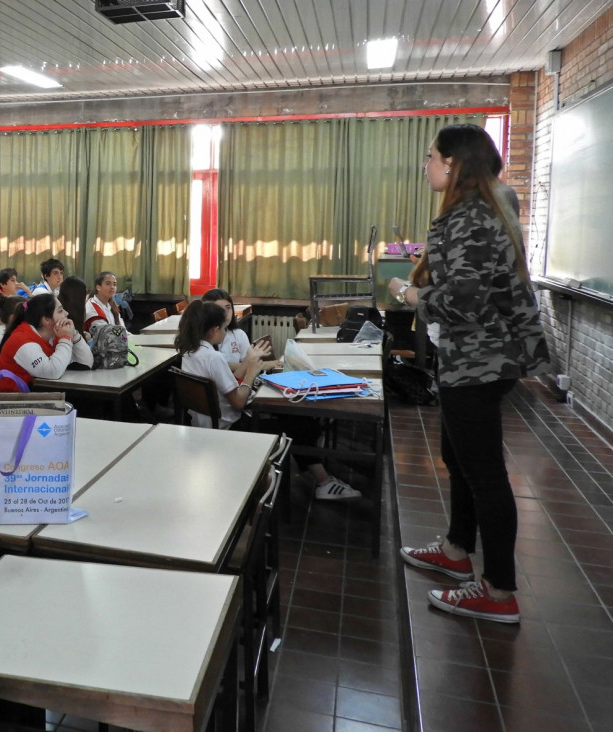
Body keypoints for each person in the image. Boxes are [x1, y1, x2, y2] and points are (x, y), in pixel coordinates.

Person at [393, 123, 550, 624]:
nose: (426, 164)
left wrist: (410, 293)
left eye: (432, 156)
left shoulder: (469, 217)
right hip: (478, 356)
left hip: (480, 358)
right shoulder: (484, 207)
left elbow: (464, 298)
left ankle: (499, 590)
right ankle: (458, 549)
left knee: (483, 473)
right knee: (455, 456)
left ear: (454, 164)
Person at [176, 301, 359, 500]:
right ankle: (323, 482)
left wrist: (249, 360)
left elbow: (230, 377)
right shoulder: (213, 358)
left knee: (294, 420)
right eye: (222, 328)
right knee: (298, 424)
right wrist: (251, 373)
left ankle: (321, 478)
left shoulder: (191, 353)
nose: (224, 332)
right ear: (213, 330)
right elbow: (238, 402)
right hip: (231, 428)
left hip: (207, 425)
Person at [0, 293, 93, 390]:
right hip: (13, 402)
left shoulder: (54, 334)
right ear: (46, 320)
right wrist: (66, 338)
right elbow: (53, 372)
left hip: (36, 395)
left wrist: (73, 334)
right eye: (60, 311)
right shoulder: (22, 340)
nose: (66, 313)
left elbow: (86, 362)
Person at [200, 288, 272, 381]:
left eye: (228, 307)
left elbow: (246, 367)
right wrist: (266, 365)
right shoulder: (203, 342)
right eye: (219, 309)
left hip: (237, 383)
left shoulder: (238, 334)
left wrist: (253, 362)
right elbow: (245, 365)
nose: (225, 313)